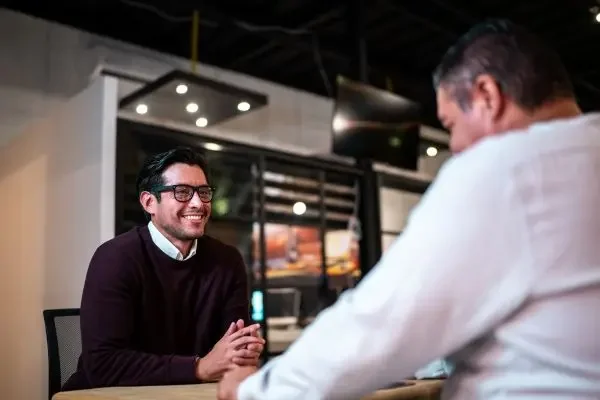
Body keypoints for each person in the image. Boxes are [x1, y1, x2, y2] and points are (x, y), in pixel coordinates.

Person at [217, 19, 600, 400]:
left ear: (487, 95)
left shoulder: (506, 167)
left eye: (450, 123)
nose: (457, 145)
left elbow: (379, 327)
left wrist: (254, 391)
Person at [62, 147, 265, 390]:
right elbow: (103, 364)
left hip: (189, 393)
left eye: (203, 192)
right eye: (182, 192)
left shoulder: (227, 260)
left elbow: (234, 348)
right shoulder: (115, 258)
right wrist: (199, 367)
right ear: (149, 202)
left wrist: (243, 352)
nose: (198, 203)